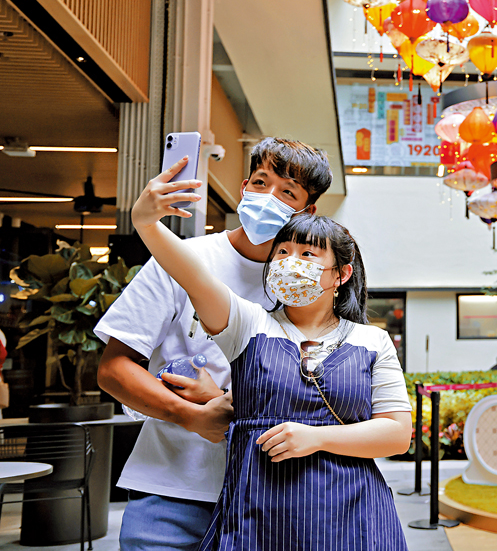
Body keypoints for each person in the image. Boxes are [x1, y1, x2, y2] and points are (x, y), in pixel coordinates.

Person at [131, 158, 411, 550]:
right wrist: (147, 224)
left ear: (340, 275)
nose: (290, 263)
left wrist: (316, 438)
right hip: (259, 512)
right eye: (282, 253)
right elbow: (190, 273)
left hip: (353, 513)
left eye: (308, 256)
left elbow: (397, 434)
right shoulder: (248, 324)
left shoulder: (371, 341)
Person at [95, 138, 333, 551]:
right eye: (261, 182)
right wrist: (192, 415)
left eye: (287, 192)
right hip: (170, 489)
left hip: (273, 494)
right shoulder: (180, 259)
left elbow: (324, 396)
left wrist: (227, 400)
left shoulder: (310, 285)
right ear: (243, 187)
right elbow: (114, 369)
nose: (268, 197)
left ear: (307, 210)